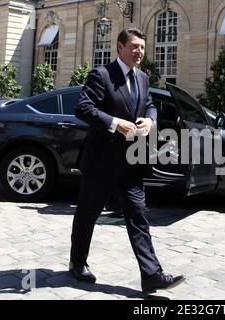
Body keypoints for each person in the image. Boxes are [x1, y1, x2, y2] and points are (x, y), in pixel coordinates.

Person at [69, 28, 184, 295]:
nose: (139, 52)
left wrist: (151, 120)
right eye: (134, 46)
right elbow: (83, 108)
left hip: (131, 163)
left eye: (142, 47)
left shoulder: (143, 78)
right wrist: (113, 123)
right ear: (119, 47)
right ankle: (77, 263)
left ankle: (152, 275)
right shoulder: (102, 75)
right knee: (87, 215)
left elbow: (149, 103)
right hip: (101, 162)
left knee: (139, 218)